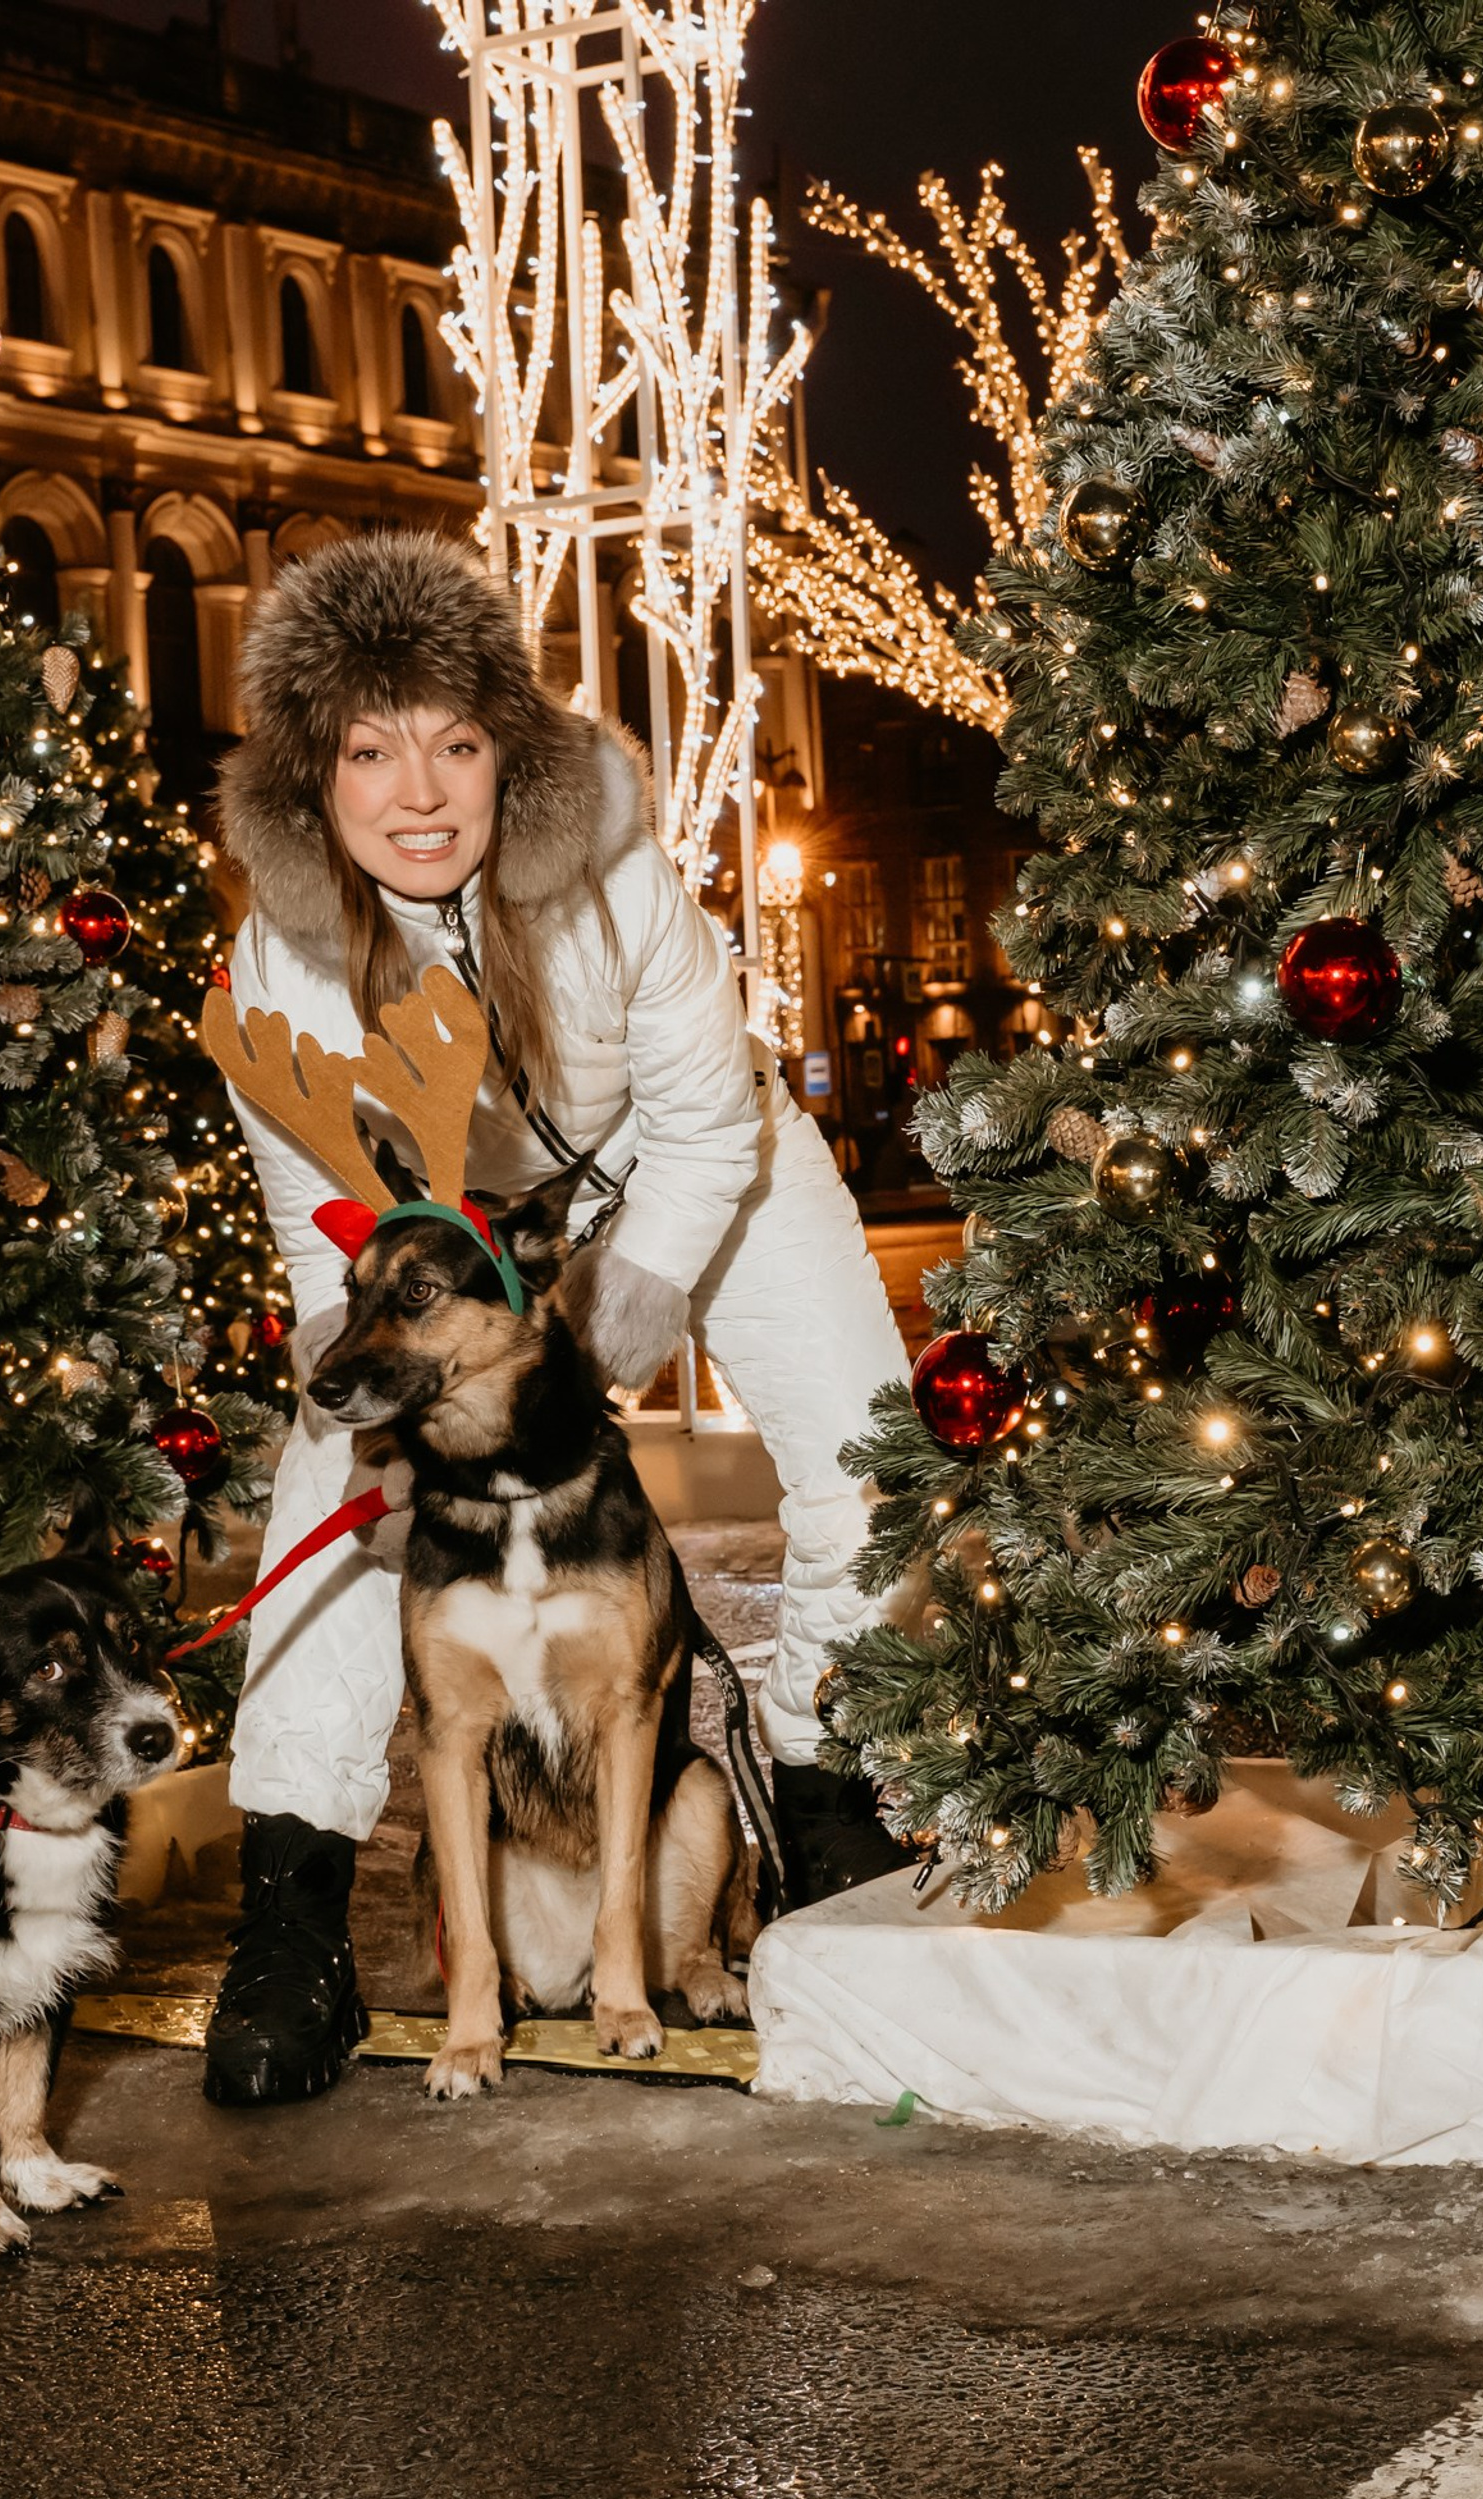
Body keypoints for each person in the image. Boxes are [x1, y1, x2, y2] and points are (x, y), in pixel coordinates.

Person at [201, 529, 912, 2106]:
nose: (420, 793)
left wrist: (611, 1323)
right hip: (453, 1248)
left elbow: (711, 1119)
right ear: (317, 777)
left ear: (504, 751)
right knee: (328, 1487)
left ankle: (827, 1799)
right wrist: (367, 1391)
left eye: (454, 743)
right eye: (372, 752)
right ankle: (293, 1901)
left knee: (874, 1453)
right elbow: (319, 1222)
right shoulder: (281, 959)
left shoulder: (608, 871)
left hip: (694, 1165)